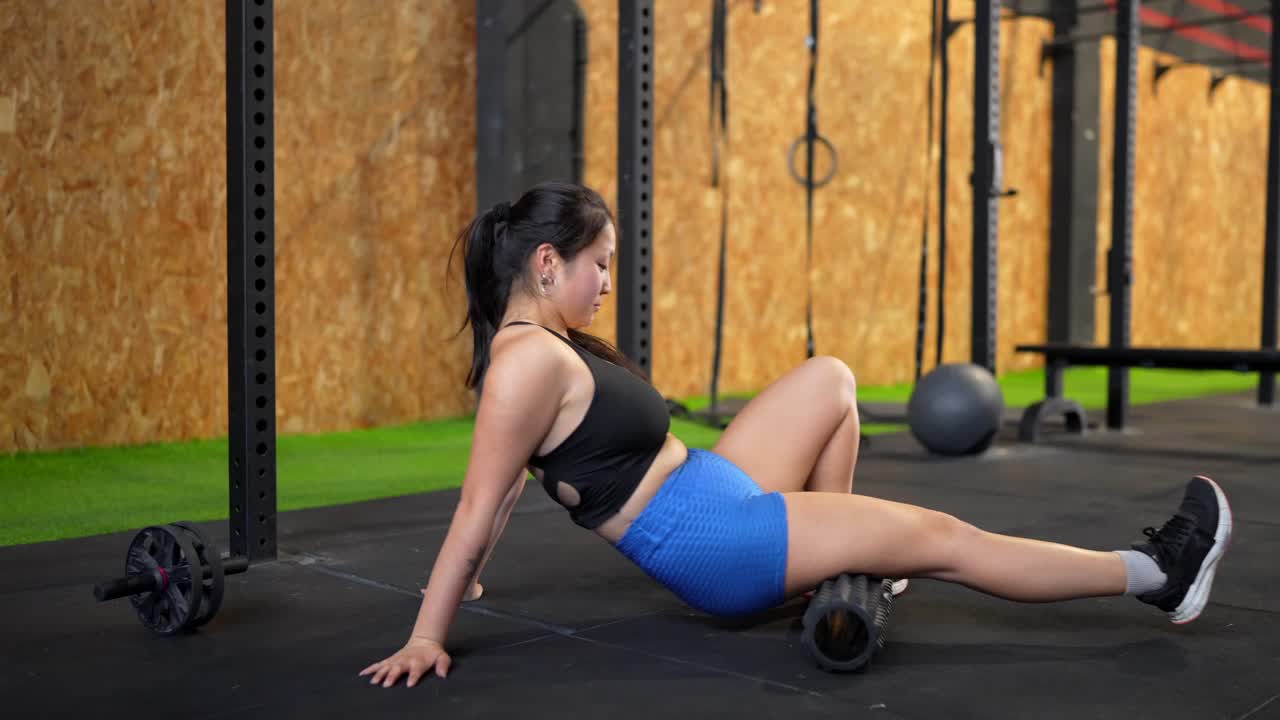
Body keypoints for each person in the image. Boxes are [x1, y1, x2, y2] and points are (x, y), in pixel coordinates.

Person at [360, 182, 1232, 688]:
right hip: (717, 546)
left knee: (832, 381)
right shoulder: (525, 365)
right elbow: (485, 497)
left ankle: (830, 557)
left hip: (714, 485)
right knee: (942, 540)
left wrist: (469, 581)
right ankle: (1159, 575)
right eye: (599, 265)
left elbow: (512, 487)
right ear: (547, 262)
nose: (604, 283)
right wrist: (430, 631)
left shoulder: (543, 347)